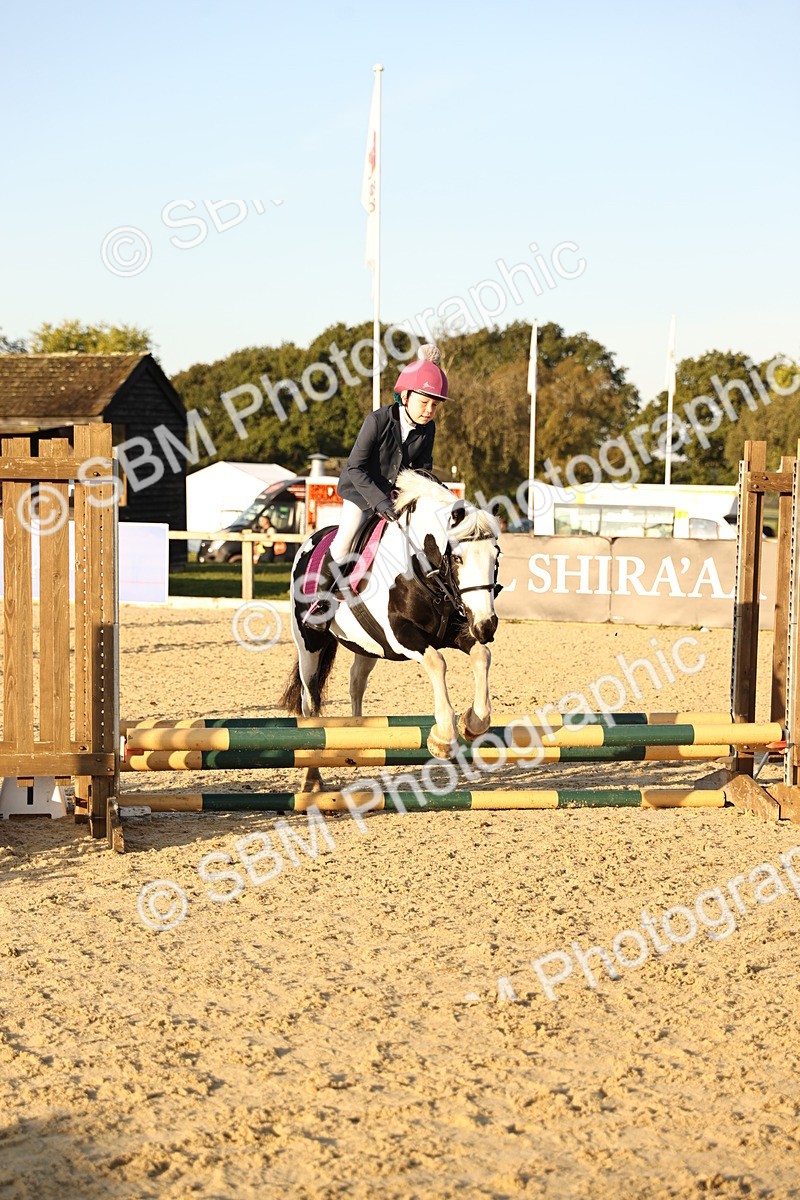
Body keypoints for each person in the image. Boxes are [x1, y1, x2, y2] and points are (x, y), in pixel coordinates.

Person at [305, 343, 449, 623]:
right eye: (424, 402)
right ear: (405, 396)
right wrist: (380, 502)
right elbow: (355, 468)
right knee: (345, 541)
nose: (429, 410)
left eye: (434, 405)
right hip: (360, 491)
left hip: (396, 496)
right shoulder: (377, 421)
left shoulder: (428, 428)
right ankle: (320, 601)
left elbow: (422, 469)